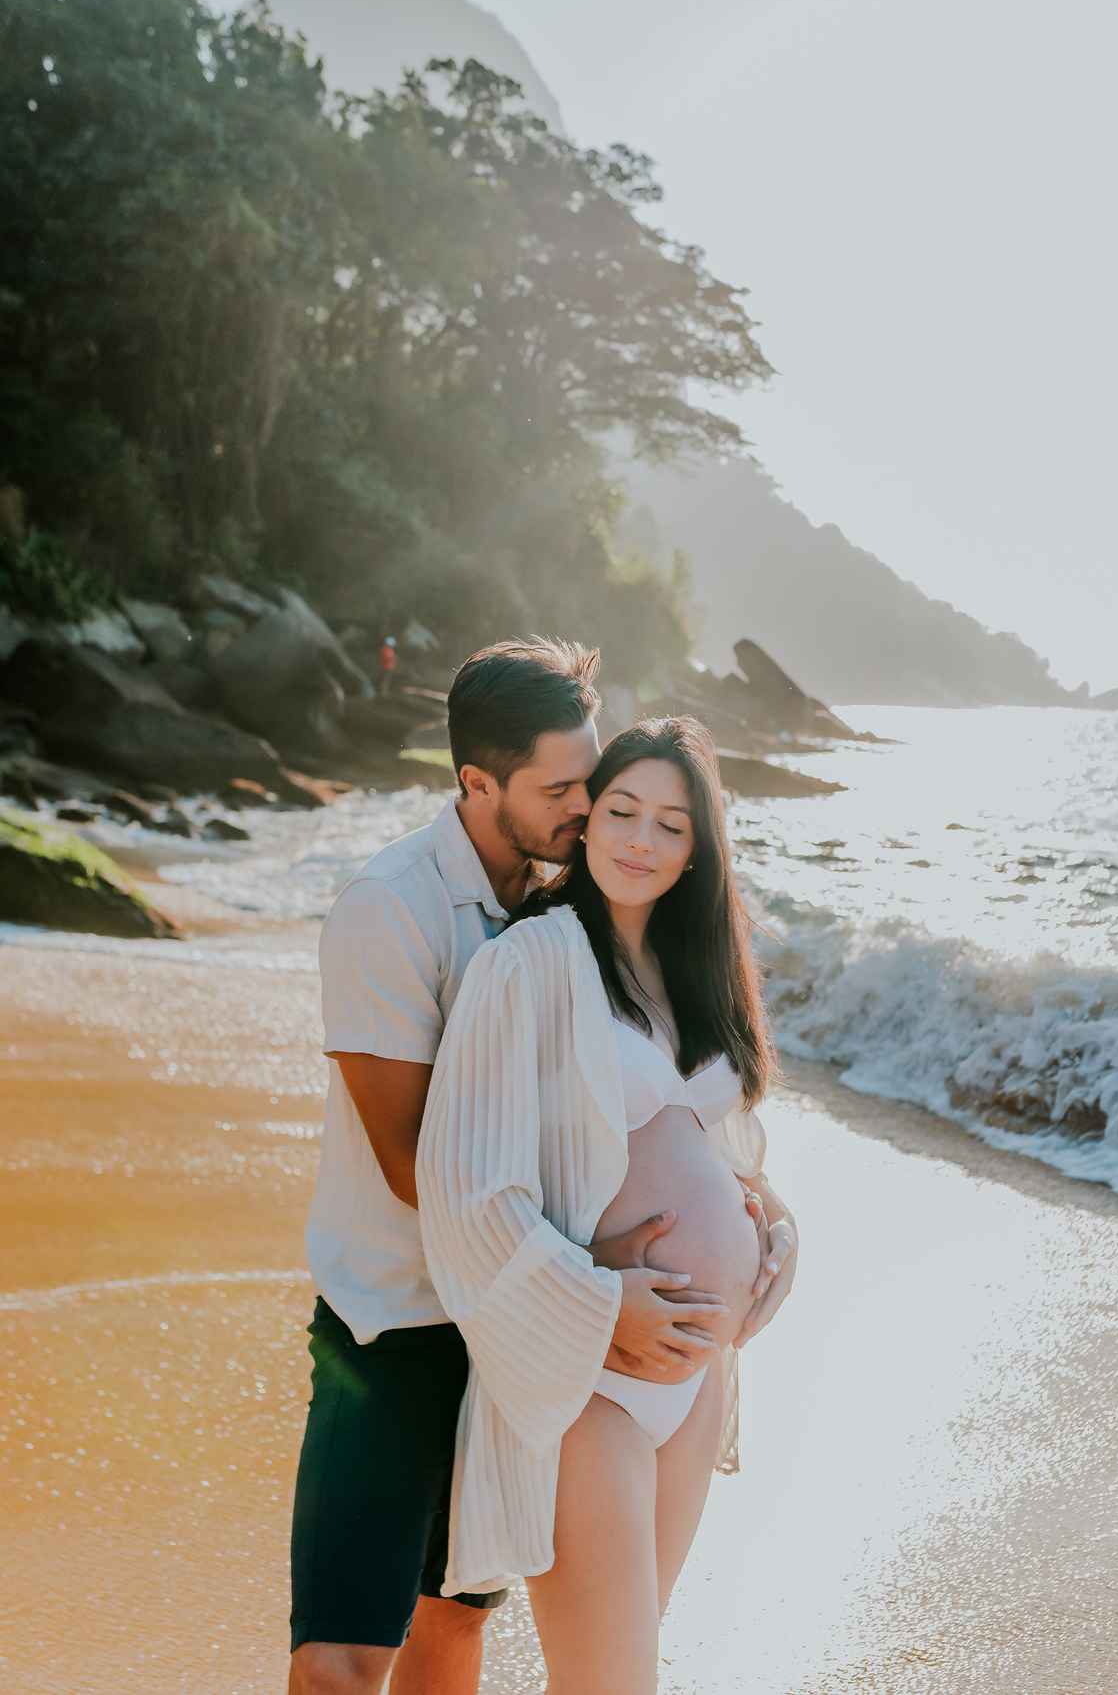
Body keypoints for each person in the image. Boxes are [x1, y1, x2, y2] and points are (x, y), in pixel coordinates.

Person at [288, 643, 740, 1695]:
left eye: (596, 780)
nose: (590, 809)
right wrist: (591, 1282)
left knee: (452, 1631)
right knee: (344, 1656)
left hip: (523, 1344)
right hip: (402, 1324)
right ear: (477, 783)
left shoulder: (565, 898)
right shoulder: (391, 908)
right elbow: (419, 1169)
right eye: (564, 789)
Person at [417, 715, 798, 1694]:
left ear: (697, 848)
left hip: (694, 1378)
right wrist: (599, 1301)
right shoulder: (530, 964)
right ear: (586, 824)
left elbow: (721, 1150)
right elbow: (467, 1192)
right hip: (587, 1378)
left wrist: (776, 1232)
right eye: (621, 810)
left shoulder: (691, 975)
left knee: (611, 1676)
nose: (641, 839)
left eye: (672, 824)